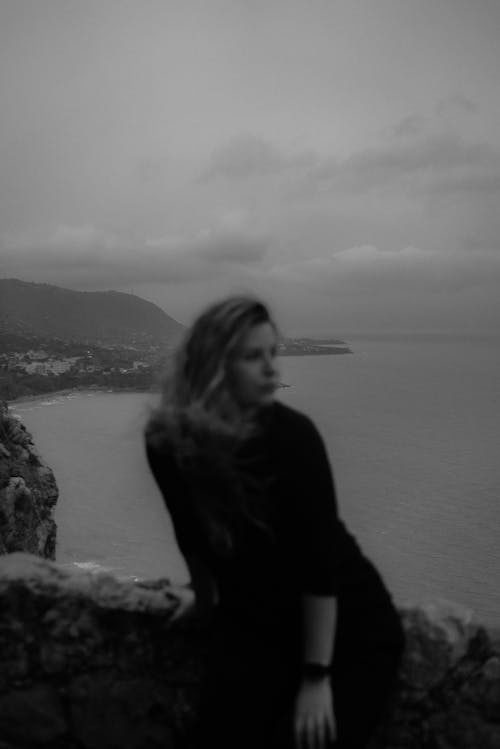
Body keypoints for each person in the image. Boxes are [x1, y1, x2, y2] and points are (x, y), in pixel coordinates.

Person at [144, 295, 404, 749]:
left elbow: (319, 564)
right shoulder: (168, 442)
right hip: (254, 623)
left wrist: (316, 677)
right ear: (214, 366)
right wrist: (204, 600)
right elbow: (187, 529)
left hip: (350, 630)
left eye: (273, 353)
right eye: (253, 357)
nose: (272, 370)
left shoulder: (293, 438)